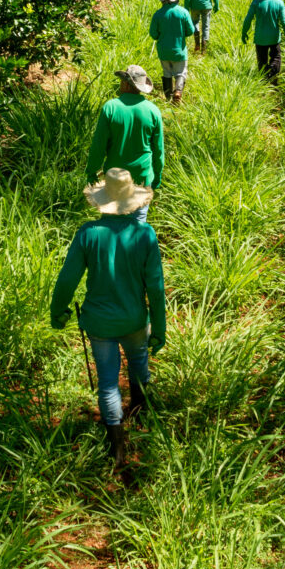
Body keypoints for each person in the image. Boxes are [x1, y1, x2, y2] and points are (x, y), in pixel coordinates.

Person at [50, 168, 166, 468]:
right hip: (135, 320)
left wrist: (58, 311)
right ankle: (142, 408)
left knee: (107, 383)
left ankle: (116, 447)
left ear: (102, 203)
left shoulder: (88, 234)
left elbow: (67, 280)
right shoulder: (144, 234)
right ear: (133, 202)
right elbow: (155, 286)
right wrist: (160, 328)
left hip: (99, 324)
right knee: (139, 362)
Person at [84, 65, 164, 219]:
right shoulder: (153, 110)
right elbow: (158, 150)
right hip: (142, 178)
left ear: (127, 84)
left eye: (122, 81)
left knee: (110, 225)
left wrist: (92, 172)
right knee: (137, 228)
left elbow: (98, 146)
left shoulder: (111, 108)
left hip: (115, 180)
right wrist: (157, 176)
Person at [241, 0, 285, 85]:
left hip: (260, 38)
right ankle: (273, 78)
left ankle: (264, 82)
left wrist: (244, 32)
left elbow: (248, 19)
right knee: (276, 57)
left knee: (262, 61)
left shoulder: (256, 2)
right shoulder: (279, 3)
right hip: (274, 37)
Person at [149, 0, 197, 103]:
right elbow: (190, 31)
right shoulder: (183, 13)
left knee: (167, 72)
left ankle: (167, 96)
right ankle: (178, 91)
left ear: (163, 0)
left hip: (163, 50)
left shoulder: (158, 14)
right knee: (180, 72)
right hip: (179, 49)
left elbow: (153, 34)